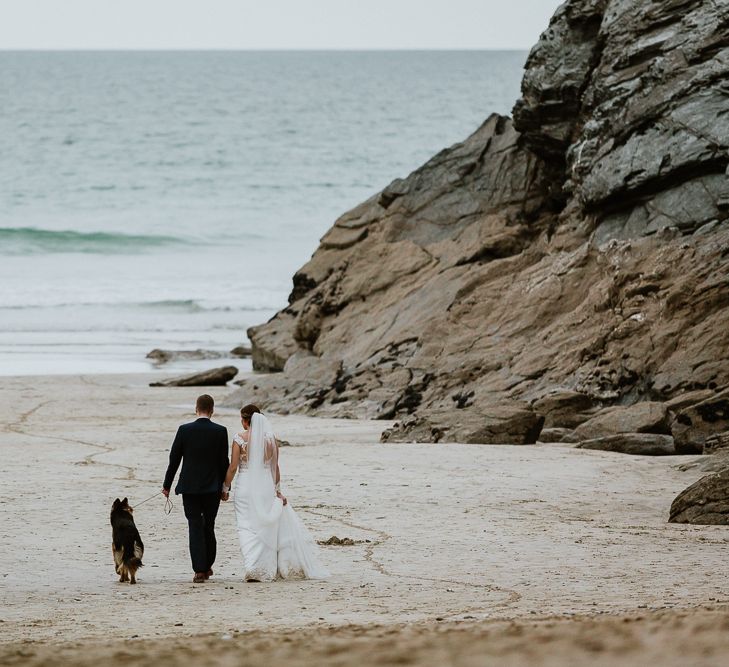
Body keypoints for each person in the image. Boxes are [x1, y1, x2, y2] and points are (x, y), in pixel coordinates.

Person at [223, 404, 329, 581]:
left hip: (246, 486)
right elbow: (275, 468)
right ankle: (264, 568)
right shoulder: (271, 440)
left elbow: (233, 467)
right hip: (265, 485)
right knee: (266, 525)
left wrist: (225, 487)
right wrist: (278, 491)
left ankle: (253, 567)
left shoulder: (239, 439)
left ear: (245, 420)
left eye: (242, 419)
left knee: (246, 526)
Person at [162, 394, 229, 583]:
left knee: (194, 525)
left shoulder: (184, 430)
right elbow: (224, 462)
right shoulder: (220, 431)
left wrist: (167, 485)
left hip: (189, 488)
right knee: (209, 525)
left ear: (196, 408)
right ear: (212, 410)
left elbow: (174, 460)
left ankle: (199, 570)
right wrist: (225, 487)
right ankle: (207, 566)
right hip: (212, 488)